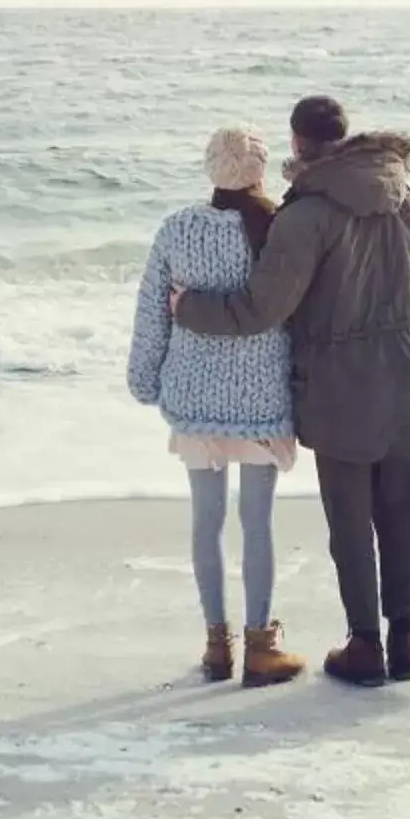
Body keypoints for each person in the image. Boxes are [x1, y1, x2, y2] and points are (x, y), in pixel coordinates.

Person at [173, 94, 410, 687]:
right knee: (401, 512)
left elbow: (261, 308)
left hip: (340, 389)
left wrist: (189, 308)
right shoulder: (404, 197)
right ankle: (404, 640)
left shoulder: (305, 215)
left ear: (296, 142)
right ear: (346, 135)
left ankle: (365, 647)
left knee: (351, 522)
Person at [126, 127, 308, 688]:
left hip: (194, 397)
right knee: (258, 522)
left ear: (211, 171)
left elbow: (151, 313)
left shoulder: (177, 229)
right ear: (259, 170)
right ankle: (260, 645)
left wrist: (144, 380)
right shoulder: (281, 229)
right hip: (263, 397)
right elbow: (302, 314)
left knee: (206, 522)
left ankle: (215, 646)